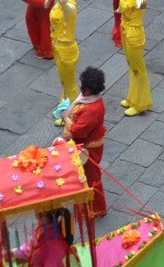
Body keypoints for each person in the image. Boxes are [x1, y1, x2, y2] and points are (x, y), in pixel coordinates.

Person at [63, 66, 107, 220]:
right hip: (85, 143)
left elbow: (77, 130)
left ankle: (97, 208)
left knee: (92, 177)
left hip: (89, 148)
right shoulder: (89, 101)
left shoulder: (92, 110)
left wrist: (65, 118)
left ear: (88, 90)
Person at [118, 0, 153, 116]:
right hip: (125, 28)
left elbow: (141, 11)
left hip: (134, 32)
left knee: (139, 69)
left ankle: (141, 103)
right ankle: (132, 98)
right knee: (132, 66)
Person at [49, 0, 81, 122]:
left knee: (70, 85)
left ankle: (75, 114)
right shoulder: (59, 1)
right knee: (65, 83)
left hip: (66, 49)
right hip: (57, 46)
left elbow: (69, 11)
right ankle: (65, 108)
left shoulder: (69, 5)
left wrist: (62, 1)